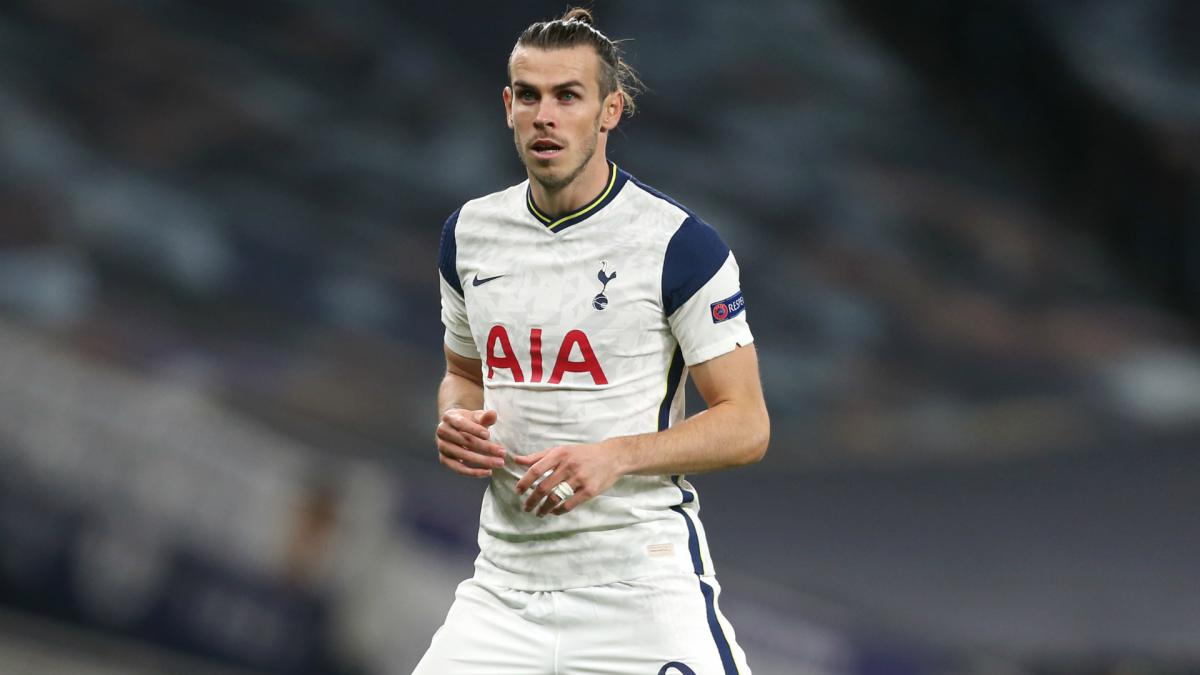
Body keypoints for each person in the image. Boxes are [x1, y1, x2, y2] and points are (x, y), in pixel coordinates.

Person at [417, 8, 769, 674]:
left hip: (638, 584)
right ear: (508, 107)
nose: (545, 116)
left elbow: (747, 425)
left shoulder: (678, 245)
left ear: (610, 110)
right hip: (503, 591)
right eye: (529, 96)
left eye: (568, 96)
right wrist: (455, 416)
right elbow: (462, 374)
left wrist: (617, 456)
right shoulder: (468, 236)